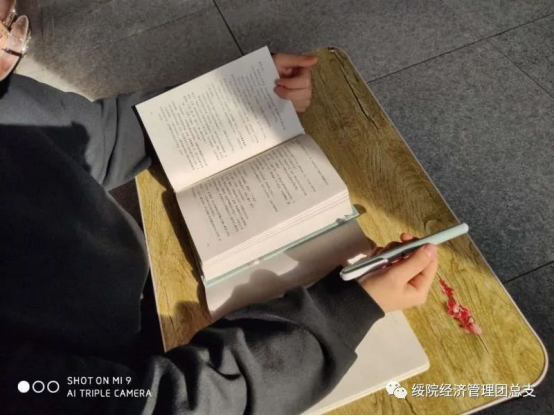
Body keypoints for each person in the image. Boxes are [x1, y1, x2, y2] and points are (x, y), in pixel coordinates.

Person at [0, 3, 438, 414]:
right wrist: (343, 313)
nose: (8, 55)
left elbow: (105, 134)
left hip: (134, 288)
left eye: (10, 24)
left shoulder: (6, 97)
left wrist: (245, 96)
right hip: (129, 359)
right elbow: (162, 402)